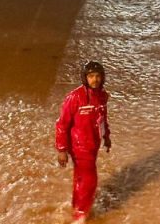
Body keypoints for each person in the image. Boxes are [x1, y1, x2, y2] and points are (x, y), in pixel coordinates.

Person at [56, 61, 112, 223]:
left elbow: (103, 119)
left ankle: (76, 206)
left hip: (93, 144)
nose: (95, 80)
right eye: (91, 76)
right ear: (85, 78)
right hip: (79, 146)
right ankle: (80, 215)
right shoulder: (74, 98)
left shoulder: (102, 96)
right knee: (90, 180)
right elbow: (62, 124)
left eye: (98, 76)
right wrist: (62, 149)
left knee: (80, 178)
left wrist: (107, 137)